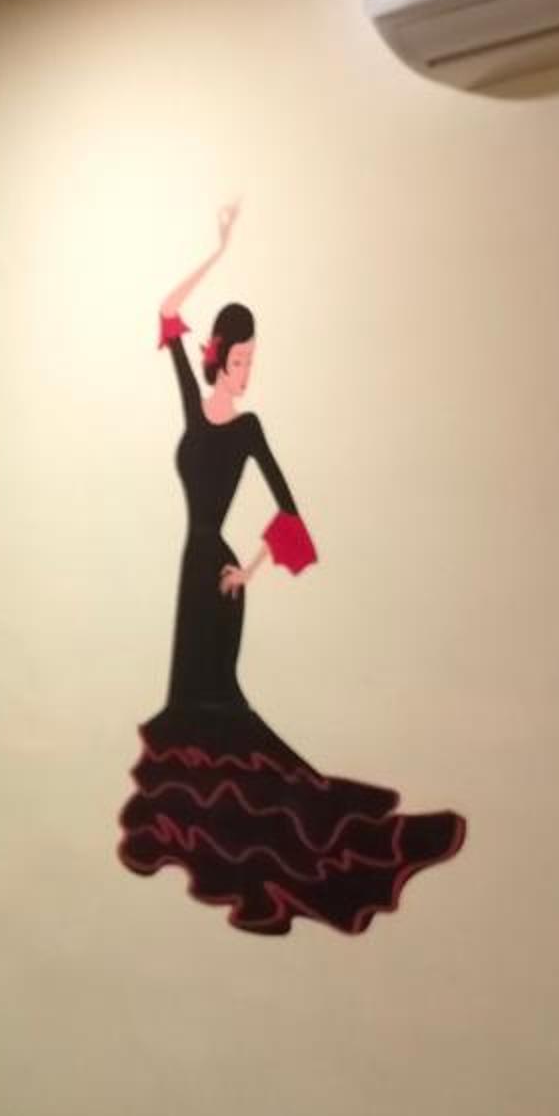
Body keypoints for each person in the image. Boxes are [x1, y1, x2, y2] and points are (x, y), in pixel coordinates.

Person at [119, 202, 466, 935]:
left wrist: (249, 571)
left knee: (222, 711)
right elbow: (168, 312)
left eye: (253, 362)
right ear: (219, 356)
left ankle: (287, 852)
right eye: (241, 360)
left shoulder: (249, 428)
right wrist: (218, 250)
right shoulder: (195, 409)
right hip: (191, 571)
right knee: (194, 711)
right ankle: (216, 852)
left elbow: (289, 511)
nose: (248, 373)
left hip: (218, 575)